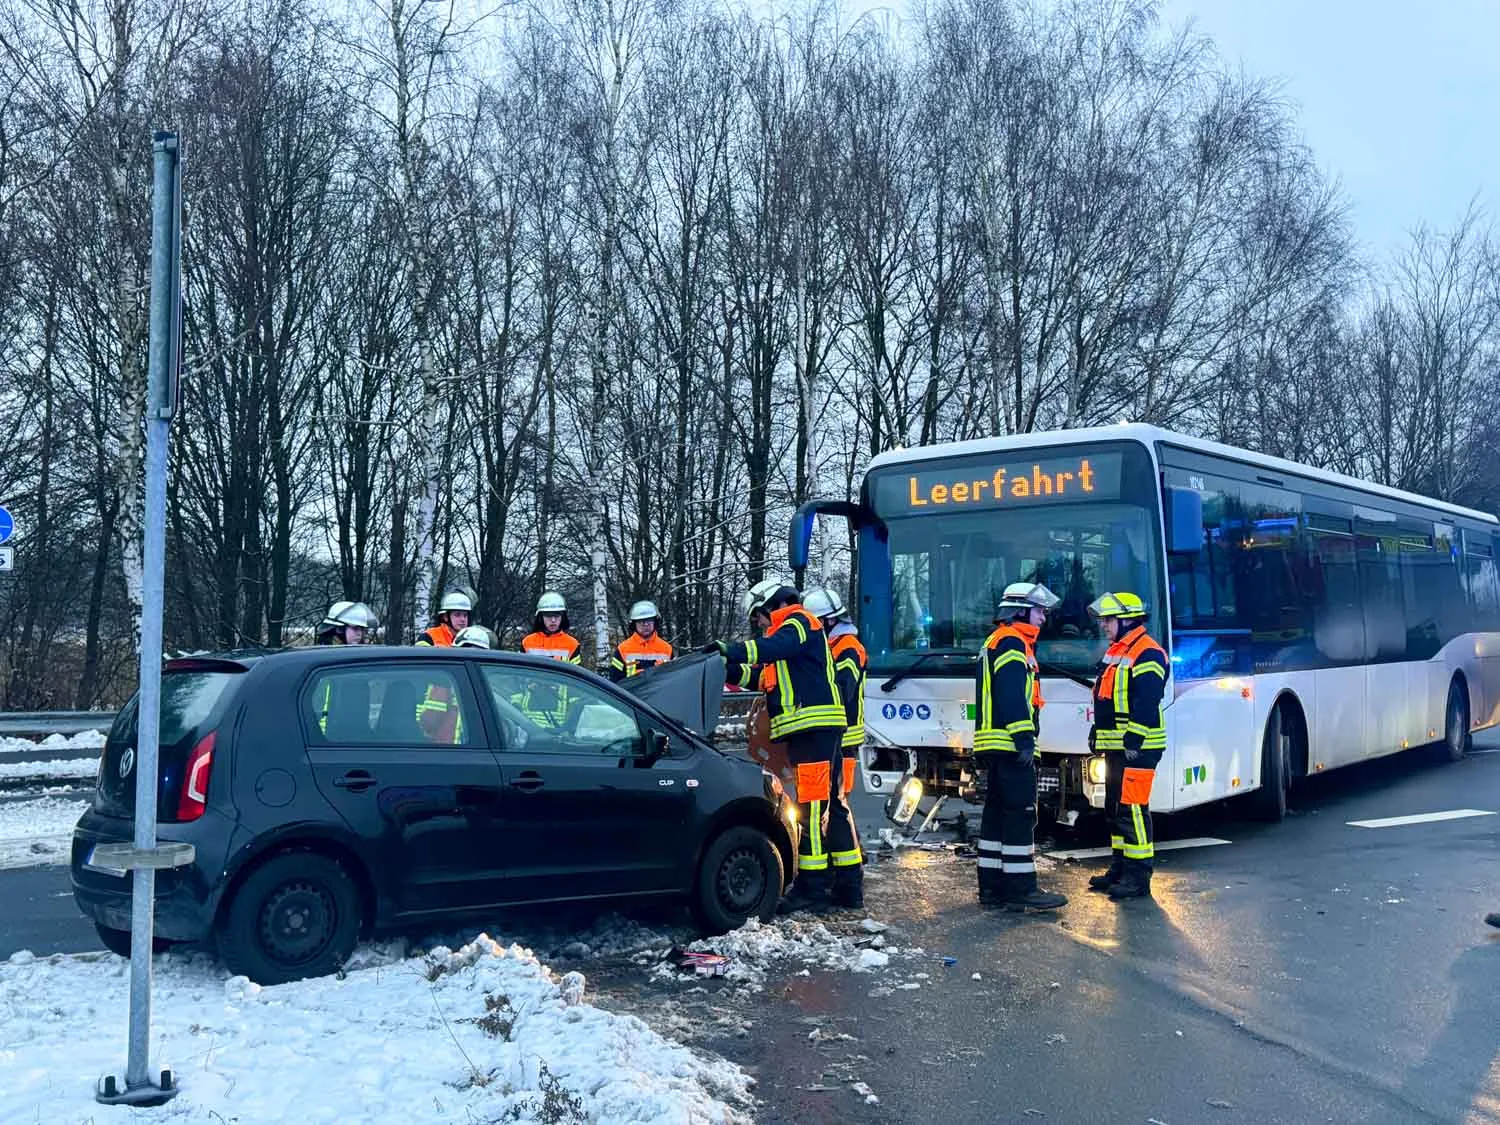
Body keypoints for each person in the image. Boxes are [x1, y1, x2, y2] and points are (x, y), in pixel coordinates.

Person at [705, 579, 850, 912]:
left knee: (812, 809)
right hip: (810, 733)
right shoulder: (786, 644)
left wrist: (730, 648)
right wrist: (723, 667)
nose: (758, 623)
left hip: (814, 730)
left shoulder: (799, 622)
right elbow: (760, 678)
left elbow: (765, 649)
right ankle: (824, 882)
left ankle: (813, 889)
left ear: (772, 605)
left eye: (758, 615)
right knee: (814, 806)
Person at [973, 582, 1067, 910]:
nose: (1043, 617)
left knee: (996, 818)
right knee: (1019, 816)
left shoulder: (999, 640)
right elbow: (1011, 695)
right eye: (1040, 611)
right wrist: (1025, 739)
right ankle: (1020, 888)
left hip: (996, 744)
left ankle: (992, 888)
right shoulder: (1013, 642)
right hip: (1011, 745)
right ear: (1021, 611)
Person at [1085, 592, 1168, 901]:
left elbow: (1147, 701)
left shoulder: (1149, 652)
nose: (1104, 626)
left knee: (1132, 810)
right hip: (1118, 746)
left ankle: (1138, 876)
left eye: (1108, 620)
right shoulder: (1117, 652)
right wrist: (1098, 731)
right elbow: (1105, 697)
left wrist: (1134, 738)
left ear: (1128, 620)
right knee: (1115, 810)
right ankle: (1119, 868)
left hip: (1139, 747)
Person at [803, 587, 864, 909]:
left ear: (827, 621)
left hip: (844, 741)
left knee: (836, 807)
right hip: (839, 739)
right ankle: (844, 880)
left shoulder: (848, 648)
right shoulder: (832, 645)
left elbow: (843, 689)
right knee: (833, 808)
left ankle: (848, 882)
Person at [608, 599, 674, 681]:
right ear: (634, 624)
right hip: (631, 692)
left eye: (649, 620)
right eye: (641, 621)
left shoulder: (667, 649)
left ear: (655, 622)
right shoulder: (622, 649)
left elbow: (673, 677)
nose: (646, 624)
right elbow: (614, 679)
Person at [521, 592, 582, 664]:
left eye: (557, 616)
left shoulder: (572, 645)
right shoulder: (527, 642)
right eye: (548, 616)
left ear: (562, 617)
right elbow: (520, 671)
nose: (553, 620)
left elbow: (575, 673)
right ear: (540, 617)